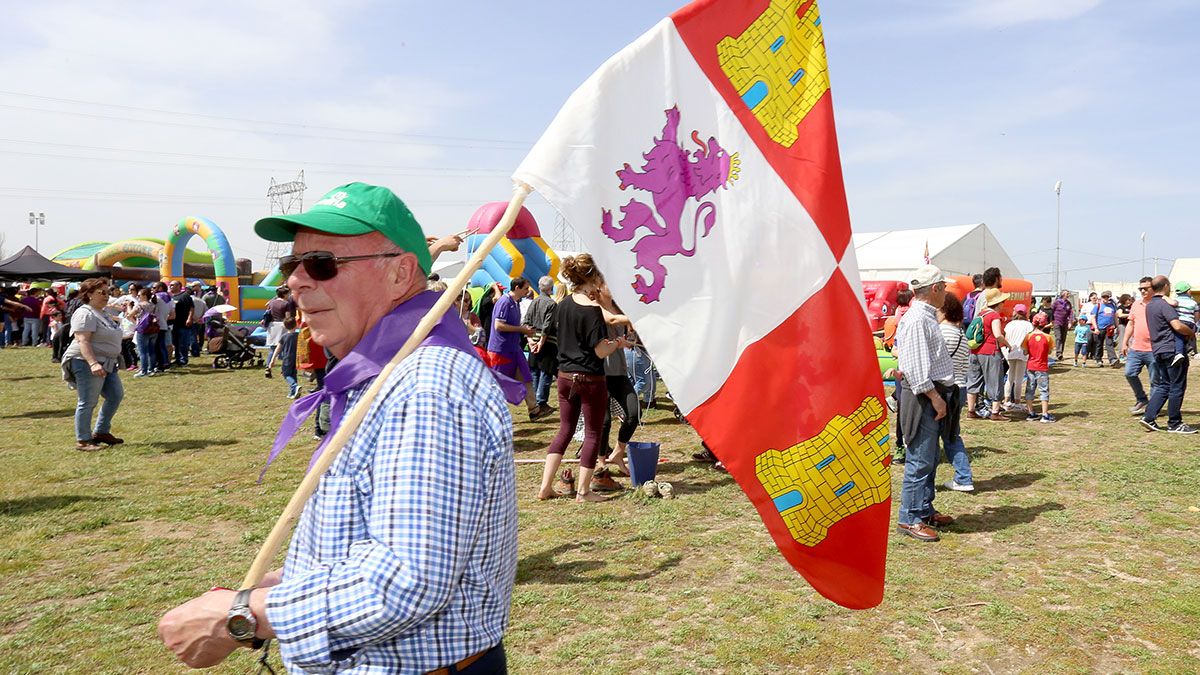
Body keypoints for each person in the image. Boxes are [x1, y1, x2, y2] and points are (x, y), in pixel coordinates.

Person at [159, 181, 517, 672]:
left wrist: (241, 618)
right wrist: (287, 583)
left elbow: (405, 580)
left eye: (322, 264)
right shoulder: (383, 373)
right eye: (292, 266)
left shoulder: (425, 386)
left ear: (400, 272)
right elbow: (371, 543)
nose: (297, 283)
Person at [536, 253, 633, 503]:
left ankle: (546, 486)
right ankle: (583, 491)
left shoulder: (563, 304)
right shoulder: (592, 310)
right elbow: (600, 350)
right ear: (594, 278)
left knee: (564, 431)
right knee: (592, 434)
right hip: (590, 379)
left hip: (565, 376)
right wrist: (617, 343)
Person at [893, 265, 958, 542]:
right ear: (935, 289)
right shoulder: (919, 319)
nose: (946, 293)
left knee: (929, 457)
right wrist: (935, 398)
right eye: (944, 287)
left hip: (929, 393)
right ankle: (910, 518)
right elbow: (916, 368)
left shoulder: (923, 317)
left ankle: (922, 508)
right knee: (920, 459)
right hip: (924, 396)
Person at [61, 278, 125, 451]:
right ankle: (83, 440)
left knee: (115, 395)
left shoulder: (102, 313)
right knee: (88, 401)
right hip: (86, 361)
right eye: (101, 292)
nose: (106, 296)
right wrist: (93, 363)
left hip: (108, 362)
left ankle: (101, 432)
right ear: (88, 294)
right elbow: (83, 340)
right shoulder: (85, 313)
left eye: (108, 292)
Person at [1139, 275, 1196, 434]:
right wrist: (1191, 332)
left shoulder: (1150, 305)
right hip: (1172, 350)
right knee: (1177, 386)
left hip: (1158, 350)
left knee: (1164, 385)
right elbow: (1177, 326)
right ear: (1165, 286)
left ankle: (1148, 417)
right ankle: (1174, 423)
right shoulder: (1165, 305)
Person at [486, 276, 542, 420]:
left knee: (525, 377)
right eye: (525, 288)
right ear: (517, 288)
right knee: (497, 384)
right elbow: (498, 325)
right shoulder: (504, 302)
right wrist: (521, 329)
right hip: (500, 350)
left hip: (514, 349)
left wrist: (524, 331)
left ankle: (534, 409)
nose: (527, 291)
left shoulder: (516, 303)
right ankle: (490, 413)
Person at [936, 292, 974, 492]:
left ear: (943, 310)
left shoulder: (940, 332)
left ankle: (927, 483)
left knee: (932, 437)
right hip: (960, 388)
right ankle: (964, 477)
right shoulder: (960, 333)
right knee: (952, 435)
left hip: (944, 389)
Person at [966, 288, 1009, 421]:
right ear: (999, 303)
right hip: (990, 352)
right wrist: (1007, 344)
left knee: (973, 380)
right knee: (995, 380)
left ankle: (971, 410)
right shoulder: (994, 316)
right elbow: (997, 334)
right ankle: (995, 412)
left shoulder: (981, 313)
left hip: (974, 351)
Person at [1122, 277, 1159, 417]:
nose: (1143, 291)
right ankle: (1142, 400)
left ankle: (1152, 408)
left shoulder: (1158, 304)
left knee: (1155, 381)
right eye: (1141, 289)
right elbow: (1131, 324)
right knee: (1129, 373)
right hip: (1136, 348)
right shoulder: (1136, 305)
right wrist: (1124, 342)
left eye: (1146, 288)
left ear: (1153, 288)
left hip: (1154, 349)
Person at [523, 275, 559, 415]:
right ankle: (541, 401)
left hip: (533, 338)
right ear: (550, 288)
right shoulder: (551, 304)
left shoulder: (534, 302)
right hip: (547, 342)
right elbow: (547, 326)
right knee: (546, 372)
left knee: (535, 371)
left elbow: (525, 321)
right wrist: (541, 343)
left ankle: (535, 402)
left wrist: (530, 340)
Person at [1022, 315, 1056, 423]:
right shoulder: (1048, 337)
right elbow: (1049, 352)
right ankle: (1045, 414)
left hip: (1031, 366)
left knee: (1030, 389)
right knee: (1044, 389)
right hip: (1042, 367)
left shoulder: (1028, 336)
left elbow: (1025, 351)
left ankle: (1030, 412)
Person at [1001, 304, 1034, 411]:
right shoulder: (1028, 325)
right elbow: (1029, 339)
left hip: (1010, 352)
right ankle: (1017, 401)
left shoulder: (1010, 324)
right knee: (1019, 379)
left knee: (1010, 377)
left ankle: (1006, 401)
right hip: (1023, 353)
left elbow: (1005, 338)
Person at [262, 286, 296, 378]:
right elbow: (287, 317)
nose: (289, 295)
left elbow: (267, 312)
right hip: (282, 325)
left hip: (272, 326)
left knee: (273, 349)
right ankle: (284, 369)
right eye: (288, 293)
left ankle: (268, 367)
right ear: (284, 294)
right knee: (285, 349)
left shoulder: (272, 302)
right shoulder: (286, 304)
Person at [1164, 281, 1197, 366]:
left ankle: (1178, 353)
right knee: (1191, 335)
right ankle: (1193, 350)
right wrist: (1194, 322)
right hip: (1191, 323)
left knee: (1178, 337)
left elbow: (1173, 303)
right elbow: (1196, 315)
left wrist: (1164, 297)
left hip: (1181, 322)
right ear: (1187, 291)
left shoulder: (1176, 300)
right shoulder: (1193, 302)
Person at [1089, 290, 1118, 367]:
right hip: (1100, 328)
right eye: (1104, 297)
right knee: (1099, 344)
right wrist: (1096, 328)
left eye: (1107, 297)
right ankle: (1098, 359)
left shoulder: (1112, 306)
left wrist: (1117, 326)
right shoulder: (1097, 306)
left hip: (1109, 328)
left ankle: (1113, 359)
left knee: (1109, 344)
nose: (1105, 298)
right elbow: (1093, 317)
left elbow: (1115, 316)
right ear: (1101, 298)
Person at [1052, 290, 1073, 360]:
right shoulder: (1056, 302)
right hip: (1057, 322)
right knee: (1058, 337)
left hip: (1065, 323)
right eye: (1067, 294)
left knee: (1063, 339)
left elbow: (1070, 313)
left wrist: (1070, 322)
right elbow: (1052, 311)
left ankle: (1061, 353)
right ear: (1063, 294)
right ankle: (1058, 353)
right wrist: (1052, 320)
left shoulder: (1068, 303)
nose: (1068, 295)